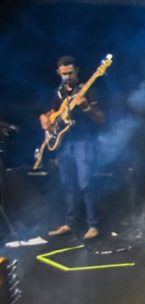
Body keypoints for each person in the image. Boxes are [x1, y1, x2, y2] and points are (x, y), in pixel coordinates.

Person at [40, 55, 105, 240]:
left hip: (83, 141)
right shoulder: (59, 92)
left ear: (76, 70)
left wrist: (86, 108)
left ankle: (93, 225)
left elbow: (101, 119)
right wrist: (45, 119)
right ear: (58, 72)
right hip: (64, 142)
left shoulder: (88, 90)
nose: (67, 77)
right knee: (67, 184)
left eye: (70, 73)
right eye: (64, 74)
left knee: (85, 182)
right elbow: (50, 112)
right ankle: (70, 223)